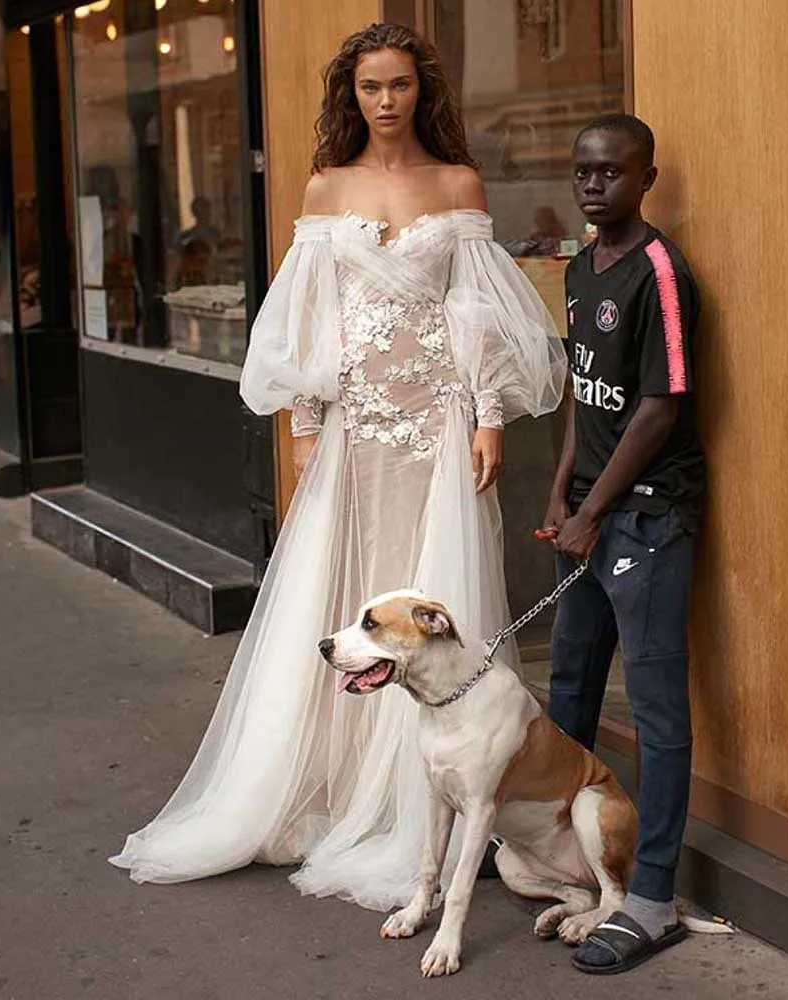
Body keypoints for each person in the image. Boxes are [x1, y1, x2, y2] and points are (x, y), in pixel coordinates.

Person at [110, 22, 566, 912]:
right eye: (369, 88)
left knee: (434, 597)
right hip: (356, 427)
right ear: (349, 96)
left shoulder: (457, 182)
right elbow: (308, 314)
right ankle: (328, 787)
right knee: (347, 591)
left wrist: (486, 416)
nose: (385, 101)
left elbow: (473, 312)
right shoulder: (325, 187)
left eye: (398, 85)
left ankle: (426, 801)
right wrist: (307, 426)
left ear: (420, 91)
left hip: (436, 424)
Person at [542, 113, 705, 974]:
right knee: (569, 685)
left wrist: (595, 511)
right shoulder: (578, 267)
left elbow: (657, 409)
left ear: (646, 177)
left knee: (655, 711)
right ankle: (570, 861)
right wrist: (561, 489)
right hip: (592, 515)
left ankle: (650, 898)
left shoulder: (661, 274)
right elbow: (587, 395)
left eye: (610, 173)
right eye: (582, 172)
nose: (593, 184)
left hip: (649, 518)